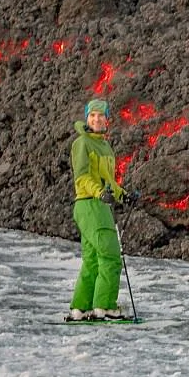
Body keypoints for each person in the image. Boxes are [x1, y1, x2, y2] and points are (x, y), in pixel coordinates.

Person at [67, 98, 129, 321]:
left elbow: (108, 181)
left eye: (101, 115)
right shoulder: (82, 143)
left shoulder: (105, 146)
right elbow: (82, 177)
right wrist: (100, 193)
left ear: (107, 119)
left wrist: (123, 195)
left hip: (97, 205)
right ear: (87, 118)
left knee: (92, 260)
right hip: (90, 204)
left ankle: (80, 309)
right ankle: (105, 306)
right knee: (110, 257)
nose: (96, 119)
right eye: (92, 115)